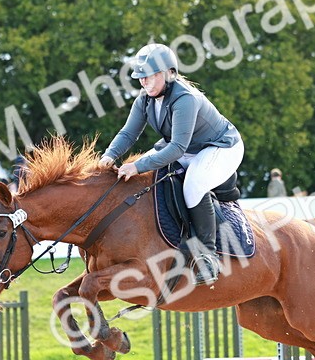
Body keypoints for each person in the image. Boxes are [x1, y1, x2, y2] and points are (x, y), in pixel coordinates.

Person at [101, 43, 244, 285]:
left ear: (168, 73)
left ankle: (208, 257)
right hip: (187, 148)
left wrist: (137, 167)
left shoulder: (185, 98)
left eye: (149, 76)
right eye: (140, 77)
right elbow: (128, 133)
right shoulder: (145, 100)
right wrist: (108, 156)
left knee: (193, 185)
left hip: (220, 147)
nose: (144, 82)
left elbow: (177, 148)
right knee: (141, 172)